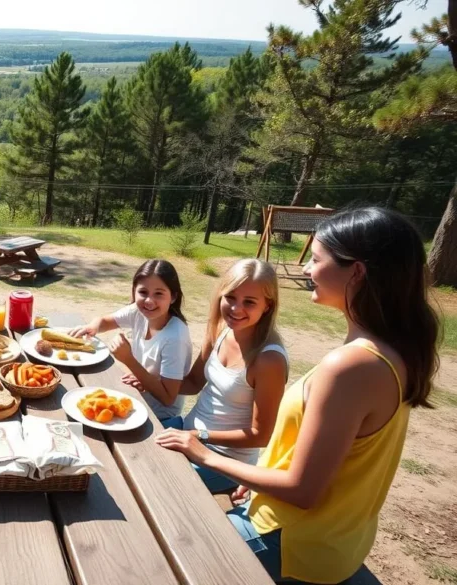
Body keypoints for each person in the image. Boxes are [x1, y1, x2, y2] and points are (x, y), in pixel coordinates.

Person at [156, 207, 439, 584]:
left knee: (163, 554)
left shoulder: (351, 366)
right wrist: (261, 474)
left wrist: (202, 451)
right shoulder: (391, 352)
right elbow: (328, 458)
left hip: (292, 542)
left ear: (356, 272)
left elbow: (303, 490)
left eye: (316, 259)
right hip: (333, 540)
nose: (306, 268)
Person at [158, 259, 288, 493]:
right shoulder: (219, 329)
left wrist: (201, 436)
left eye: (249, 302)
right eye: (230, 297)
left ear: (267, 306)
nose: (236, 309)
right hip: (189, 431)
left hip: (225, 460)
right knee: (127, 443)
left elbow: (261, 436)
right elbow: (193, 382)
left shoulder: (269, 360)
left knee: (157, 479)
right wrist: (149, 381)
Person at [70, 259, 192, 423]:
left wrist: (129, 360)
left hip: (157, 417)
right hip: (134, 400)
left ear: (173, 297)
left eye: (159, 293)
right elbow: (106, 321)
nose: (149, 301)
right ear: (134, 291)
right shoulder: (138, 312)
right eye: (143, 292)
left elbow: (168, 398)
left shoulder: (175, 337)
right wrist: (92, 327)